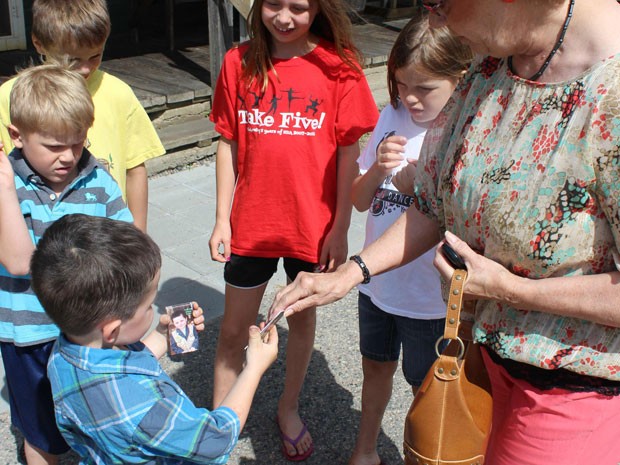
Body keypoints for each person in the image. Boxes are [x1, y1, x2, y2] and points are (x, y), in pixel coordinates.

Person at [271, 0, 620, 463]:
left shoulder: (609, 93)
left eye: (440, 4)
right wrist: (351, 273)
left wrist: (512, 290)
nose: (434, 20)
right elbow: (434, 202)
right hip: (484, 365)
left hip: (568, 388)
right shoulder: (490, 69)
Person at [208, 0, 378, 460]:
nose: (284, 17)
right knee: (232, 330)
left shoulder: (339, 67)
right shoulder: (238, 62)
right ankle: (219, 423)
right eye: (273, 5)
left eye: (299, 7)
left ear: (318, 8)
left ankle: (288, 406)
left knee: (301, 321)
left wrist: (341, 227)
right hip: (252, 222)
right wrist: (222, 217)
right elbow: (227, 140)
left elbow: (349, 154)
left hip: (313, 227)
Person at [29, 214, 278, 464]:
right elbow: (215, 439)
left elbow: (118, 365)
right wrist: (253, 368)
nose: (153, 311)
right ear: (113, 329)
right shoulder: (146, 408)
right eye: (148, 307)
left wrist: (161, 336)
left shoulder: (62, 355)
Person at [348, 13, 472, 465]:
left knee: (426, 387)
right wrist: (379, 168)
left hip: (429, 300)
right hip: (377, 286)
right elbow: (360, 201)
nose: (410, 98)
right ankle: (365, 449)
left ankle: (421, 455)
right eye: (402, 84)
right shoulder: (392, 115)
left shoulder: (463, 129)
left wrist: (421, 185)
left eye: (425, 88)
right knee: (375, 368)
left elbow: (464, 220)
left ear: (459, 79)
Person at [0, 64, 132, 465]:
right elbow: (20, 262)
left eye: (77, 143)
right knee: (41, 432)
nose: (68, 157)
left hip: (85, 333)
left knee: (95, 420)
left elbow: (126, 252)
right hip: (28, 336)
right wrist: (5, 190)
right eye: (54, 146)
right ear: (16, 136)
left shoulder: (99, 183)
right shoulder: (8, 188)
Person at [0, 0, 165, 232]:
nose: (86, 69)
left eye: (95, 55)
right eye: (73, 60)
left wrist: (139, 238)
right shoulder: (10, 97)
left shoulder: (118, 93)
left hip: (105, 235)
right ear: (39, 43)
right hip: (34, 237)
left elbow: (135, 169)